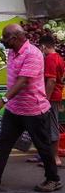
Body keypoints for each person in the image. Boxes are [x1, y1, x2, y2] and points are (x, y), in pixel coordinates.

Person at [0, 24, 62, 192]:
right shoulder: (12, 52)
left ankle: (53, 179)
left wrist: (3, 100)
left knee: (43, 146)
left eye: (5, 38)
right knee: (4, 144)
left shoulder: (32, 54)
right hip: (15, 109)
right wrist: (9, 102)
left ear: (13, 38)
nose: (2, 41)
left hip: (33, 109)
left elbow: (23, 81)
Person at [34, 35, 64, 167]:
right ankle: (47, 156)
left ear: (44, 46)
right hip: (55, 95)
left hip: (51, 97)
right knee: (48, 125)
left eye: (41, 48)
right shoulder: (59, 57)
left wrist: (45, 99)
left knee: (52, 126)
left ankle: (55, 158)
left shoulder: (50, 59)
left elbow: (51, 80)